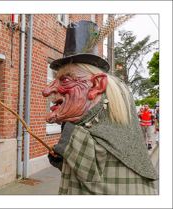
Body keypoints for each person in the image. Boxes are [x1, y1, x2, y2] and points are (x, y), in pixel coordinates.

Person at [44, 20, 158, 195]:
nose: (47, 91)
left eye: (65, 80)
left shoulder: (101, 127)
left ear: (96, 85)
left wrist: (67, 141)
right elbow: (87, 174)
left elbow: (93, 177)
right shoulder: (95, 124)